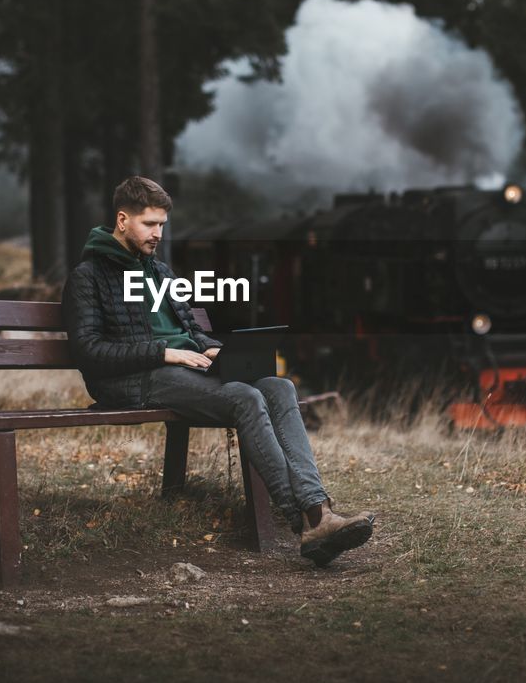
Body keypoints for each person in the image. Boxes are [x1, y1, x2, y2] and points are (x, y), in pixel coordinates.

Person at [62, 176, 375, 567]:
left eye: (162, 224)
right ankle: (309, 521)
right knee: (245, 398)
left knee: (277, 387)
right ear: (123, 220)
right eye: (149, 224)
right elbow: (89, 352)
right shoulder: (87, 278)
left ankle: (319, 510)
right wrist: (166, 354)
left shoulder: (160, 273)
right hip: (133, 380)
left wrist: (214, 350)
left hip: (184, 370)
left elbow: (190, 330)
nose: (158, 233)